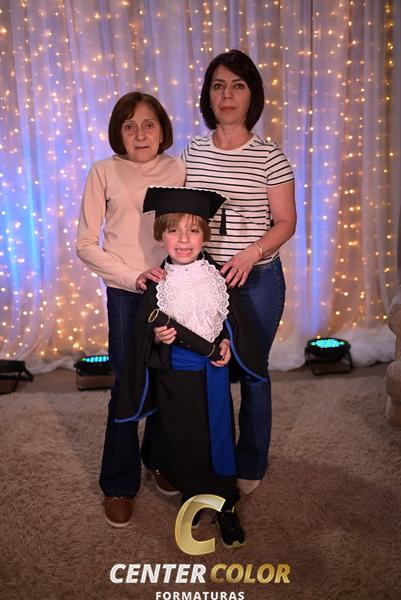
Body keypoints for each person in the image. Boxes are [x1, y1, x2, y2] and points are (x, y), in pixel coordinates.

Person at [116, 186, 267, 548]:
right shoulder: (157, 284)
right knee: (182, 435)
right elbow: (143, 339)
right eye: (173, 230)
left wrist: (227, 343)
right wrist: (159, 338)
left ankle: (226, 501)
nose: (183, 240)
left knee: (219, 434)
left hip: (213, 369)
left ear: (205, 235)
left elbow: (230, 322)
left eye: (193, 230)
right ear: (161, 235)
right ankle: (193, 493)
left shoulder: (217, 276)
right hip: (175, 374)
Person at [182, 49, 296, 495]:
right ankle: (210, 456)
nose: (227, 95)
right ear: (207, 96)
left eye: (238, 85)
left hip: (256, 281)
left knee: (252, 371)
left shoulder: (270, 156)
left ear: (252, 95)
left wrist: (250, 253)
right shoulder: (193, 152)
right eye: (218, 86)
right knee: (204, 370)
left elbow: (285, 222)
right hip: (203, 282)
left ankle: (250, 460)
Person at [76, 92, 185, 528]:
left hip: (172, 290)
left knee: (166, 379)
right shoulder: (102, 172)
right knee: (127, 384)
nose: (140, 134)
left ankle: (156, 457)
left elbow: (190, 230)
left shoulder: (179, 169)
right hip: (126, 293)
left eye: (149, 124)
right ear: (118, 132)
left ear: (162, 129)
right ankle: (118, 483)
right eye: (130, 125)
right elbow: (86, 244)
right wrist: (132, 276)